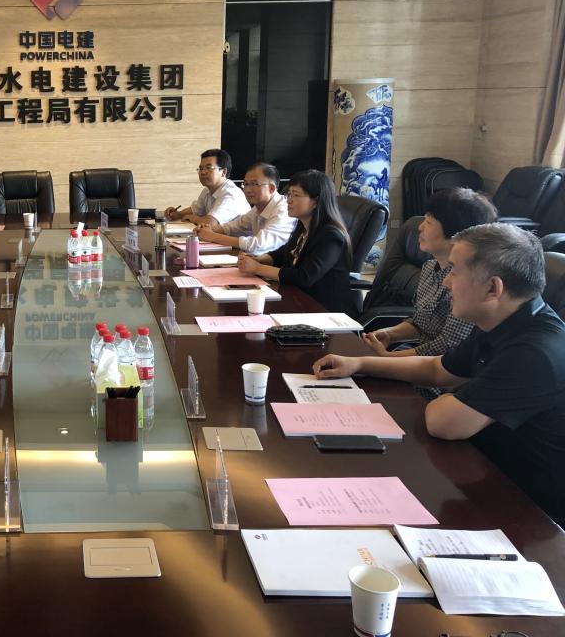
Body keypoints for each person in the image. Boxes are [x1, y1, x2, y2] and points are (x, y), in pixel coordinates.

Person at [313, 223, 565, 524]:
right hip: (479, 469)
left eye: (455, 271)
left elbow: (444, 423)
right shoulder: (503, 320)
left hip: (526, 510)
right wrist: (359, 364)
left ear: (492, 288)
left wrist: (452, 397)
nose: (446, 282)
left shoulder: (534, 352)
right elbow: (438, 368)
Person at [363, 188, 497, 357]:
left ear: (455, 234)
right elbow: (420, 324)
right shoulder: (429, 267)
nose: (420, 227)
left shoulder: (468, 283)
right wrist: (389, 334)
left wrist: (388, 358)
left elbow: (449, 347)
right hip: (418, 361)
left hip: (441, 368)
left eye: (428, 222)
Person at [237, 169, 355, 313]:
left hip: (324, 310)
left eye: (296, 195)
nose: (289, 200)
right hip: (299, 300)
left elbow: (304, 277)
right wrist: (261, 259)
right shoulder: (303, 226)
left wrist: (258, 269)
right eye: (289, 194)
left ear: (316, 201)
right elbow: (285, 253)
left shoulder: (331, 236)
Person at [194, 162, 296, 255]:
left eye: (254, 184)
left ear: (271, 188)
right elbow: (235, 226)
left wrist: (212, 236)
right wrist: (207, 230)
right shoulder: (258, 208)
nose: (248, 190)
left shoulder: (283, 211)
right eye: (246, 184)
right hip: (256, 262)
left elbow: (257, 245)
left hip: (277, 267)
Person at [165, 149, 250, 226]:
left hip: (235, 238)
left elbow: (210, 223)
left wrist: (192, 218)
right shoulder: (207, 190)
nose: (203, 172)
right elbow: (196, 210)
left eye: (208, 168)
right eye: (201, 168)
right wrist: (177, 214)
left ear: (223, 172)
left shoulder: (230, 194)